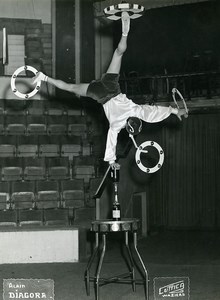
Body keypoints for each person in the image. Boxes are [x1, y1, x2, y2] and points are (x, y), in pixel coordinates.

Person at [33, 12, 187, 169]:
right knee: (70, 87)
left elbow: (153, 112)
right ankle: (43, 77)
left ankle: (125, 32)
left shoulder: (137, 111)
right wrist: (111, 161)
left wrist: (174, 111)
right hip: (99, 93)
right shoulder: (116, 125)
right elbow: (111, 141)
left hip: (112, 85)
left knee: (118, 53)